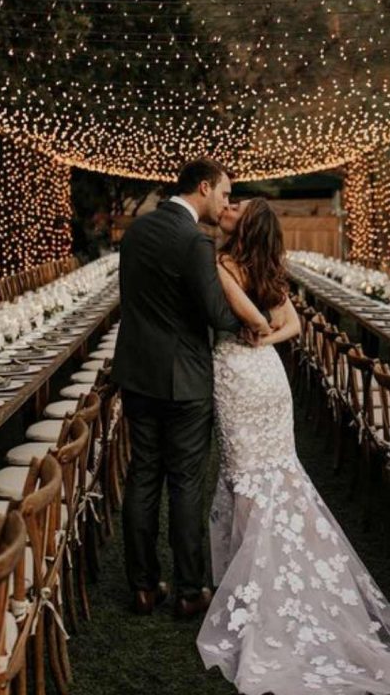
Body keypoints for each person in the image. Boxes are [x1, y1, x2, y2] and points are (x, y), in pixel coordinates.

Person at [197, 198, 390, 694]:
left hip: (242, 375)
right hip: (266, 375)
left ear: (245, 227)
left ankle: (252, 587)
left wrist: (258, 332)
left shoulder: (224, 264)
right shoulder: (269, 268)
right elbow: (293, 327)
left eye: (238, 207)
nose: (232, 205)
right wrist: (268, 340)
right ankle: (249, 576)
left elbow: (261, 321)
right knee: (270, 473)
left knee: (246, 475)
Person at [111, 159, 272, 617]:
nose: (225, 202)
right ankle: (189, 590)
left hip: (137, 373)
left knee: (143, 477)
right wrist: (245, 310)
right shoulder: (194, 243)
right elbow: (217, 317)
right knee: (185, 483)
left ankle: (142, 587)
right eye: (224, 193)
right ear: (203, 187)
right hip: (185, 380)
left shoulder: (137, 232)